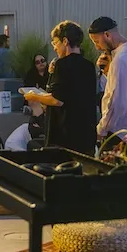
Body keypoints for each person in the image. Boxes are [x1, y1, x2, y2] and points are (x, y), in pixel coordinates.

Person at [24, 21, 97, 156]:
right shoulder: (89, 66)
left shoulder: (62, 65)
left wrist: (34, 96)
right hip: (86, 134)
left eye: (55, 43)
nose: (55, 47)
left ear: (65, 41)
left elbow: (57, 100)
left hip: (65, 135)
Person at [89, 17, 127, 141]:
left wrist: (102, 129)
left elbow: (117, 102)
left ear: (107, 35)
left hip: (118, 132)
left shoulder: (121, 59)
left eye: (96, 41)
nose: (97, 47)